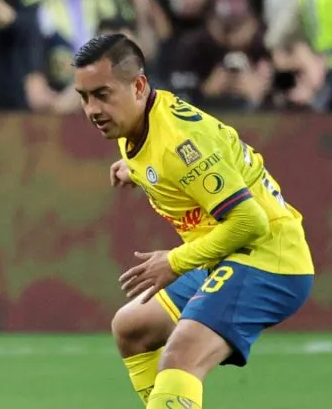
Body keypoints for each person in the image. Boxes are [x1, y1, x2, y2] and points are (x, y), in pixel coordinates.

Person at [70, 33, 314, 408]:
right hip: (228, 254)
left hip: (268, 258)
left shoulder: (181, 142)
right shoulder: (138, 122)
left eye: (102, 95)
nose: (92, 110)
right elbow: (164, 161)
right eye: (84, 97)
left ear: (138, 86)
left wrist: (175, 261)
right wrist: (135, 169)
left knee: (181, 356)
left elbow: (250, 221)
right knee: (132, 328)